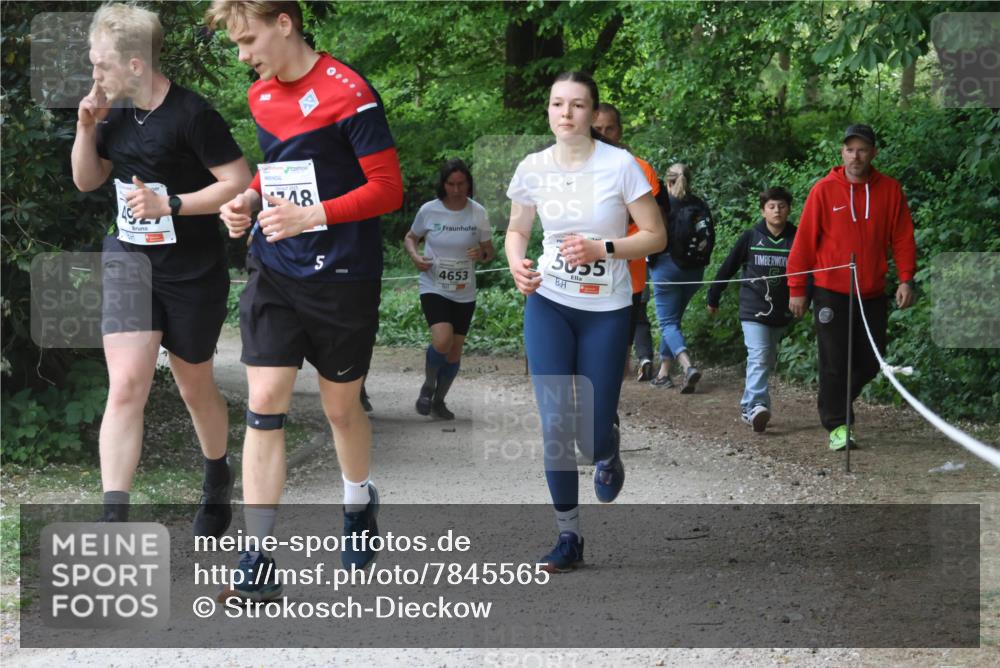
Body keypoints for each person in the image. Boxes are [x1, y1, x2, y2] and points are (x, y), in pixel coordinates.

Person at [206, 0, 404, 599]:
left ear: (284, 24)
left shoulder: (350, 92)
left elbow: (388, 190)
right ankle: (258, 557)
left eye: (248, 41)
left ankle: (357, 501)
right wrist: (248, 201)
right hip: (275, 268)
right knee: (265, 403)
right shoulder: (262, 96)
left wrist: (312, 216)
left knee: (342, 410)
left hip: (343, 275)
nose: (244, 57)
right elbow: (280, 168)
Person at [71, 3, 251, 534]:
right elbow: (87, 180)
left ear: (134, 65)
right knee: (127, 384)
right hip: (129, 260)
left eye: (101, 65)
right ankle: (113, 517)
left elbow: (237, 181)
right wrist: (86, 129)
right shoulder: (113, 111)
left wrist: (170, 204)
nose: (94, 75)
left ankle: (217, 474)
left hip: (192, 267)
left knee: (194, 384)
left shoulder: (193, 115)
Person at [505, 72, 666, 572]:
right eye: (557, 104)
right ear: (549, 111)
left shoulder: (620, 167)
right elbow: (517, 228)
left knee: (591, 434)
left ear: (592, 114)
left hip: (607, 309)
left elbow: (656, 236)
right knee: (555, 423)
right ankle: (568, 536)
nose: (566, 113)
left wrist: (604, 248)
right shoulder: (532, 167)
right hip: (549, 302)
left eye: (577, 105)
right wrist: (516, 263)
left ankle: (607, 448)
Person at [787, 124, 916, 451]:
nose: (855, 156)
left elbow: (902, 237)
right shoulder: (824, 190)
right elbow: (803, 243)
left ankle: (835, 399)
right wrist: (797, 288)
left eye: (862, 149)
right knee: (834, 360)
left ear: (873, 152)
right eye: (850, 149)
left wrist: (905, 277)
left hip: (871, 291)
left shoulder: (889, 190)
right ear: (842, 152)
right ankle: (838, 426)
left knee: (872, 361)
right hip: (830, 290)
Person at [404, 159, 495, 420]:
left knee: (455, 350)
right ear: (443, 185)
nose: (456, 190)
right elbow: (411, 237)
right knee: (441, 340)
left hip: (464, 289)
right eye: (451, 184)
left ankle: (439, 401)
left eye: (461, 184)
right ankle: (428, 385)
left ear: (469, 184)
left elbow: (490, 251)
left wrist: (482, 252)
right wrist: (415, 256)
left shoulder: (478, 212)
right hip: (433, 283)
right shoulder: (429, 210)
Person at [707, 187, 799, 432]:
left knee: (766, 359)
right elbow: (728, 266)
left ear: (789, 209)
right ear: (763, 211)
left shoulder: (797, 238)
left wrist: (807, 297)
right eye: (771, 206)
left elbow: (810, 272)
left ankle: (753, 406)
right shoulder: (751, 237)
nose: (776, 211)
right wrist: (714, 295)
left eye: (781, 206)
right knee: (759, 356)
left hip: (781, 310)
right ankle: (755, 406)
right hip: (753, 309)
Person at [592, 102, 661, 382]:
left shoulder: (641, 169)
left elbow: (654, 226)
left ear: (619, 131)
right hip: (581, 274)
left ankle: (607, 418)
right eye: (597, 129)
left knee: (617, 353)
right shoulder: (570, 169)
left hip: (627, 273)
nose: (604, 134)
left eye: (610, 128)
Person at [647, 163, 714, 392]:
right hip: (695, 272)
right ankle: (664, 373)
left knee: (667, 323)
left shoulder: (661, 204)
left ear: (668, 181)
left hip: (667, 268)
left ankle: (687, 367)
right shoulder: (699, 204)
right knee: (673, 321)